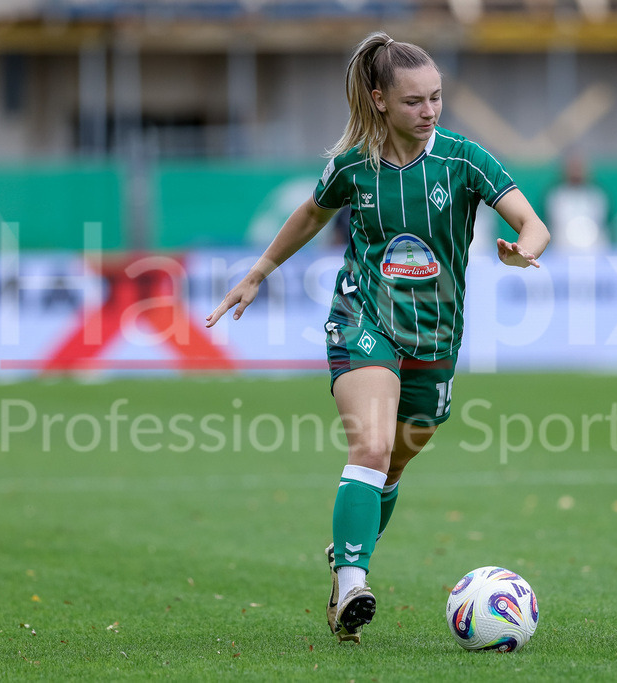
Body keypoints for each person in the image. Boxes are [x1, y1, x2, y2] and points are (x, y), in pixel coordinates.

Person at [205, 31, 550, 644]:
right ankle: (353, 581)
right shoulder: (352, 168)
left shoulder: (462, 158)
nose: (430, 111)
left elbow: (532, 221)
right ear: (380, 100)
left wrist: (524, 250)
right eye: (415, 100)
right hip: (362, 317)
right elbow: (313, 212)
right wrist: (258, 272)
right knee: (370, 445)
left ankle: (344, 557)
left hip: (436, 339)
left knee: (392, 464)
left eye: (437, 98)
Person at [545, 154, 609, 252]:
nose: (576, 172)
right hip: (561, 253)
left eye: (579, 167)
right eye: (573, 167)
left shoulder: (597, 196)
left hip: (594, 252)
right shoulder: (556, 196)